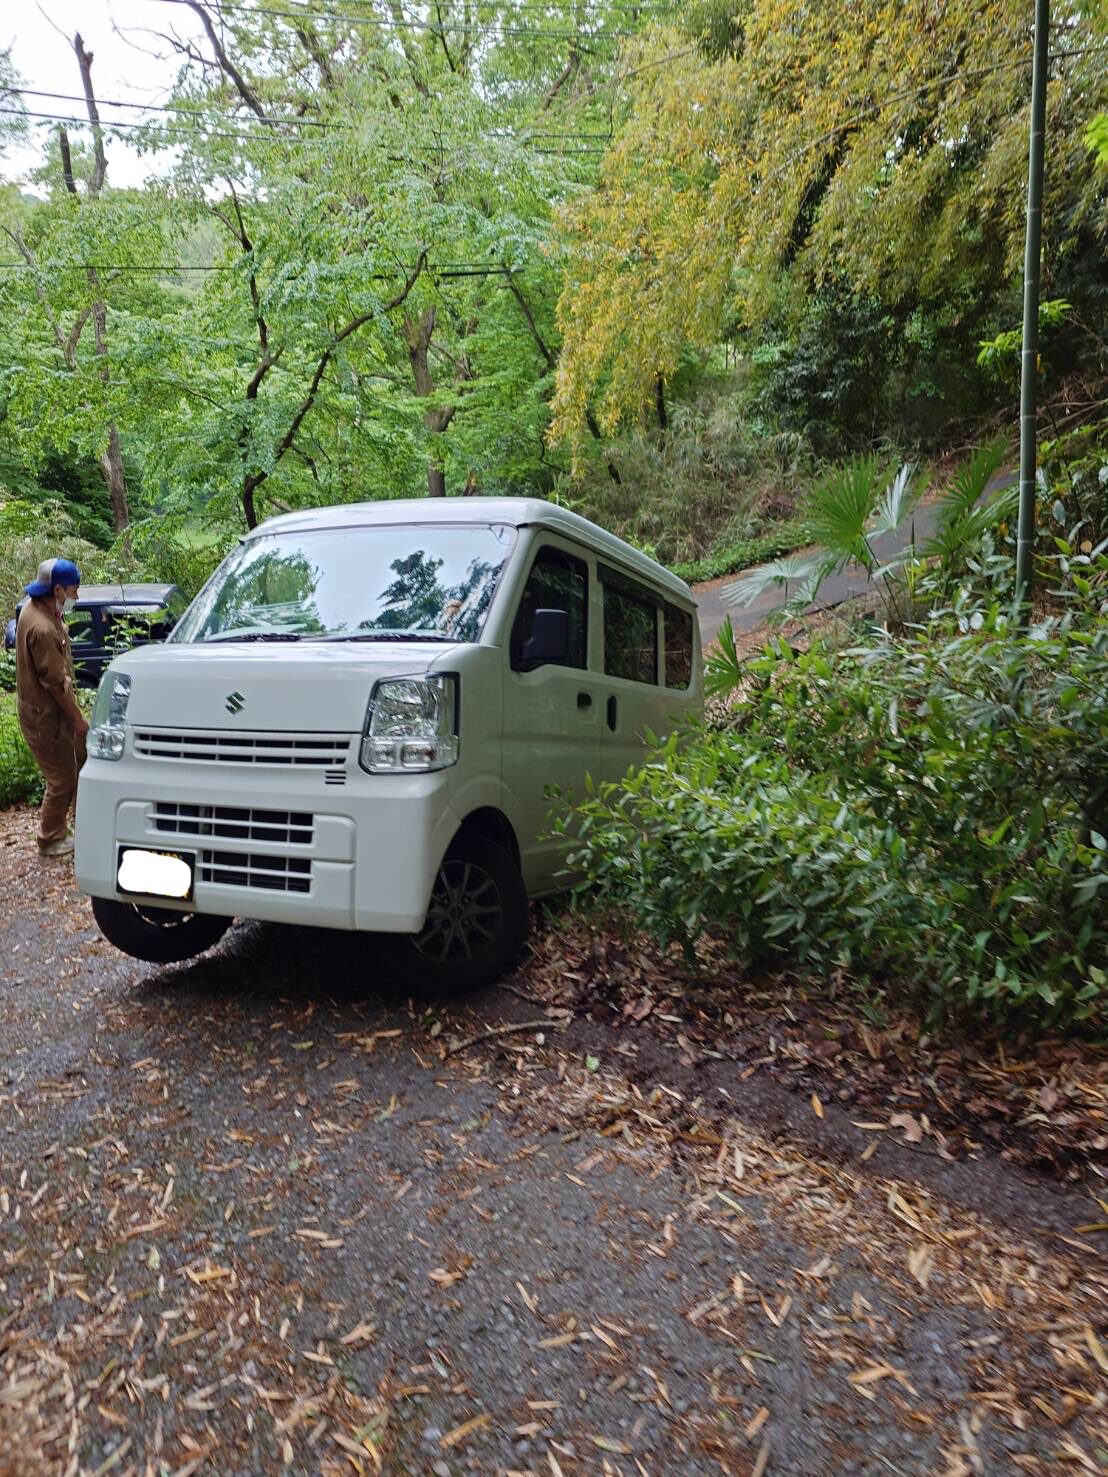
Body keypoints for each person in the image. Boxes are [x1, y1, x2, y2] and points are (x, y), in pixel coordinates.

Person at [15, 558, 90, 857]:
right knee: (62, 780)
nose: (77, 597)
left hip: (42, 711)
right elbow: (56, 684)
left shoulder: (36, 609)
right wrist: (77, 719)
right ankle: (50, 838)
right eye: (74, 590)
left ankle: (61, 828)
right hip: (44, 716)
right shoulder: (42, 628)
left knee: (67, 770)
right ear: (57, 589)